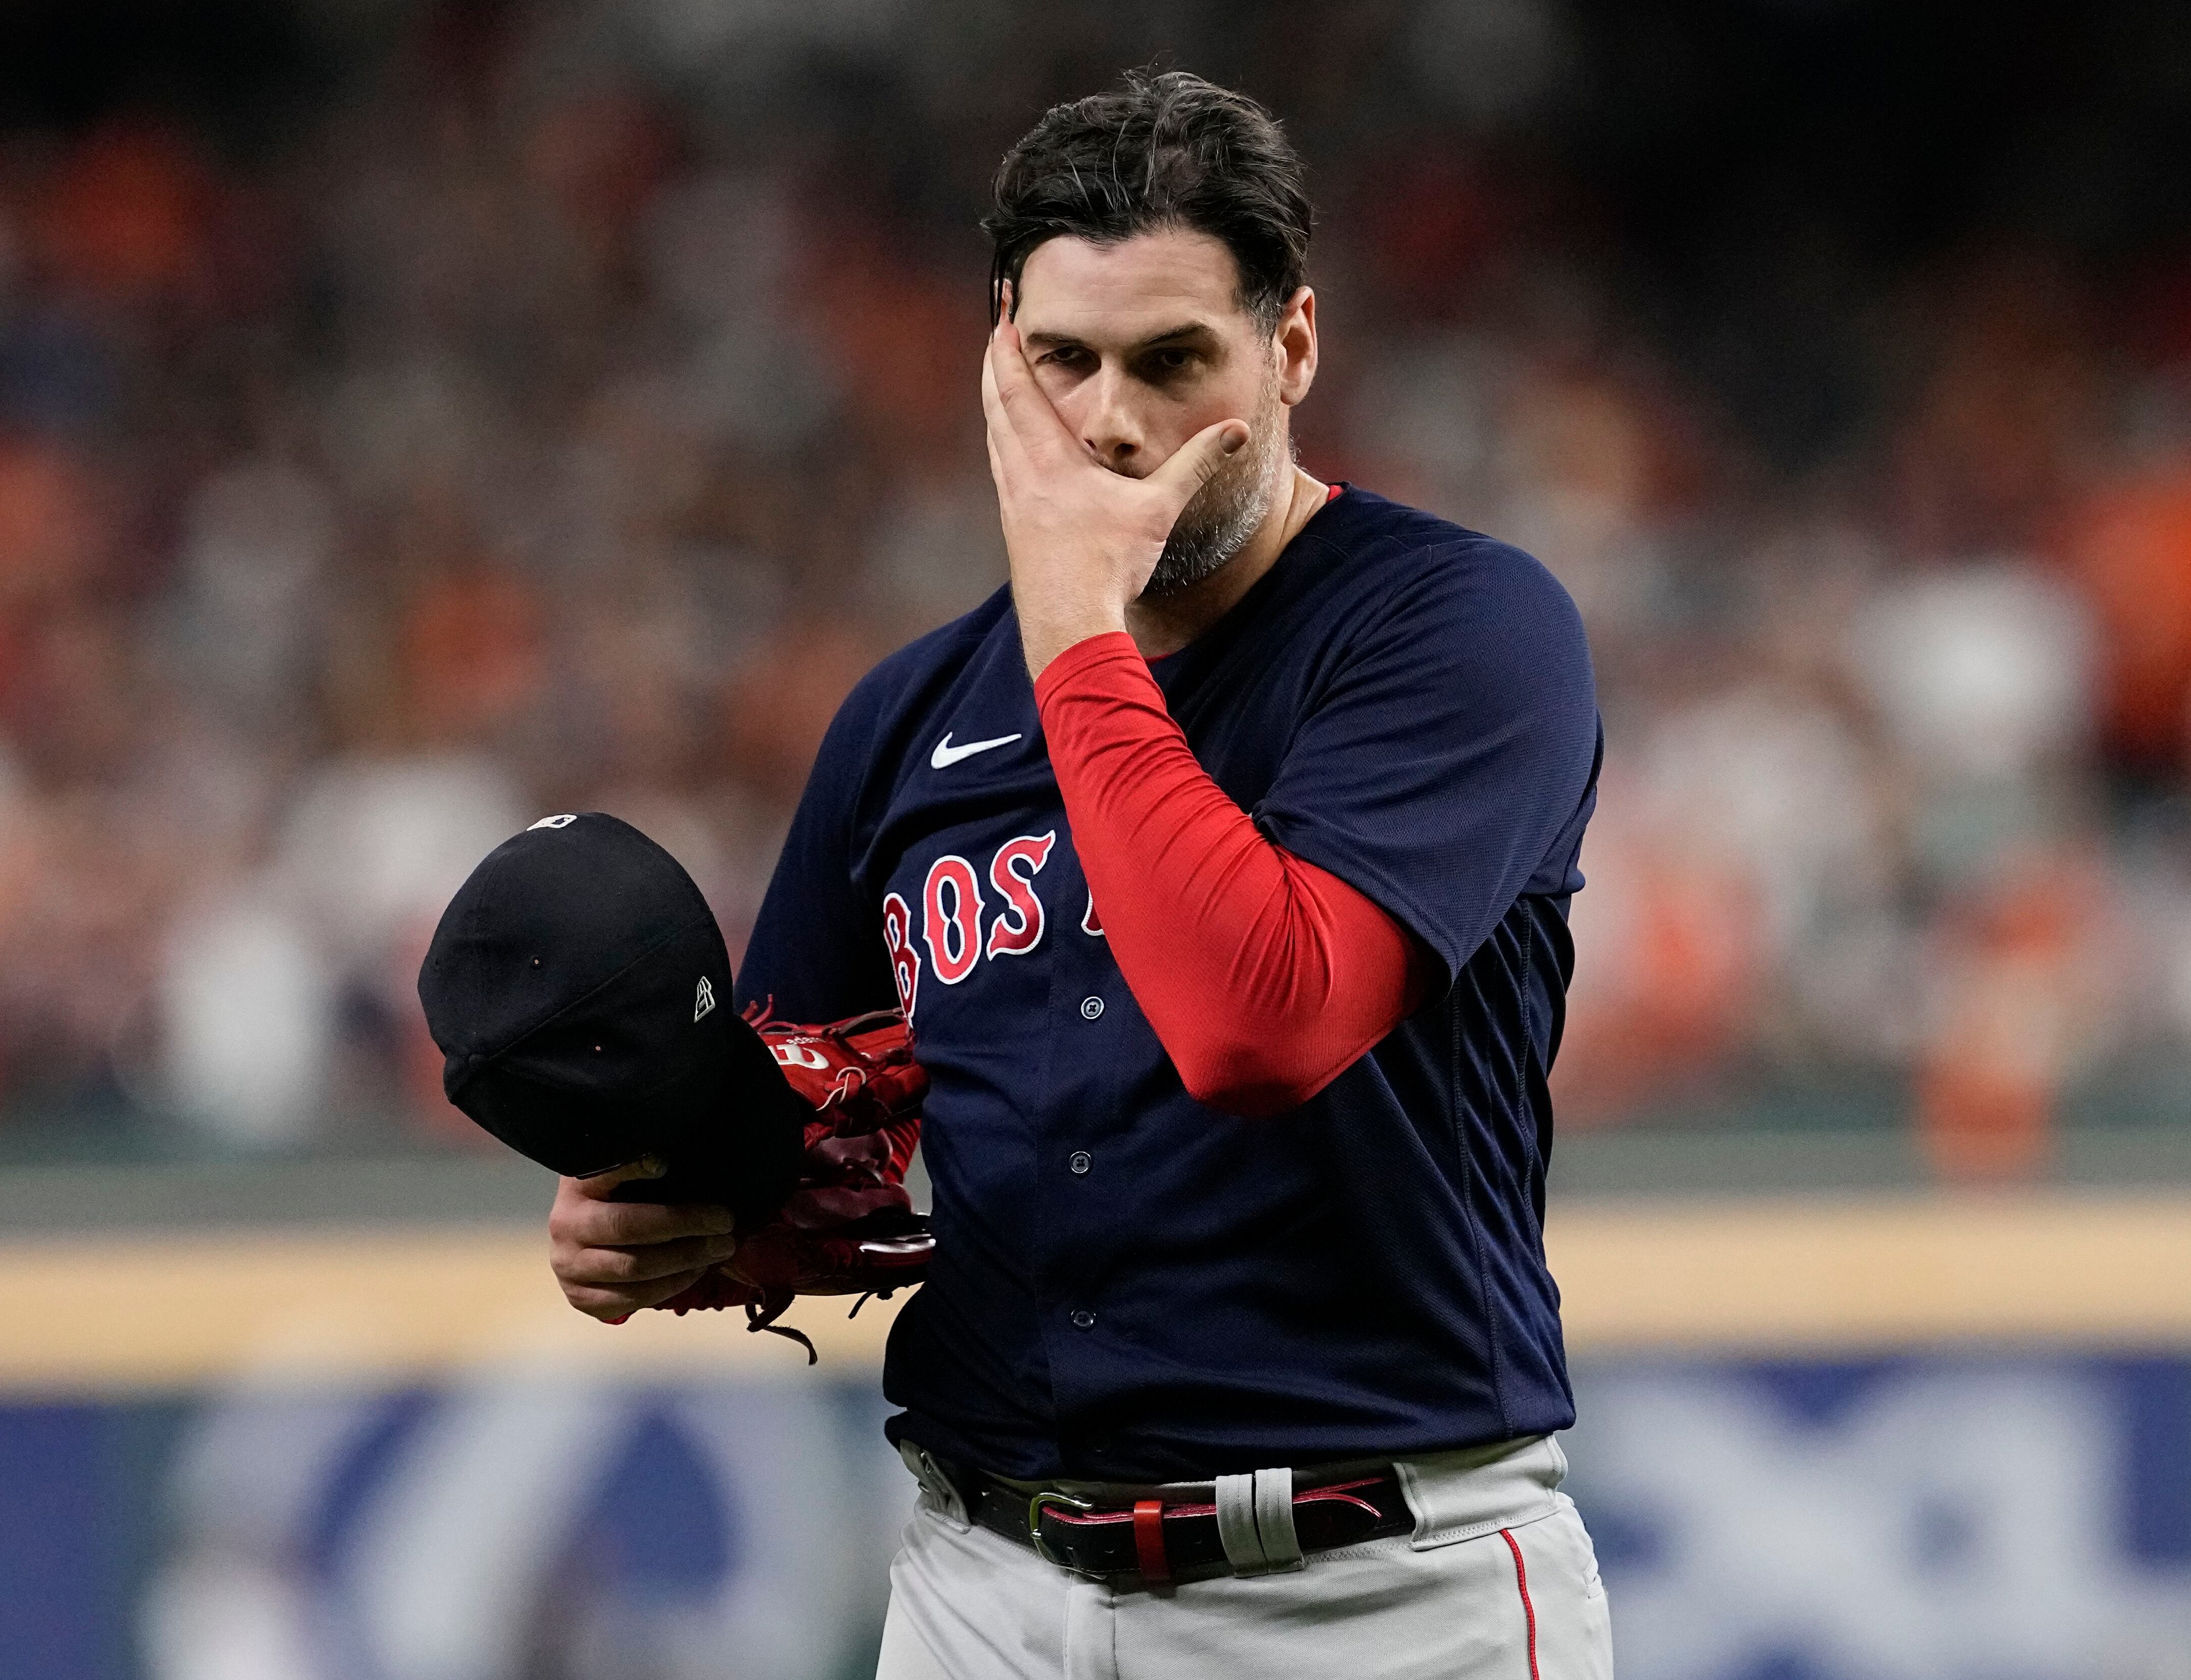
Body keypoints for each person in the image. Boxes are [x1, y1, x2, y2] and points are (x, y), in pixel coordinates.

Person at [545, 69, 1609, 1678]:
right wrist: (679, 1227)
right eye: (1064, 359)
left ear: (1293, 345)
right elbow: (811, 1127)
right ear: (1000, 357)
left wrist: (1076, 628)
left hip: (1375, 1594)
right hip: (987, 1583)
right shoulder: (907, 718)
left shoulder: (1457, 632)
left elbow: (1261, 1024)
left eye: (1176, 359)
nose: (1110, 421)